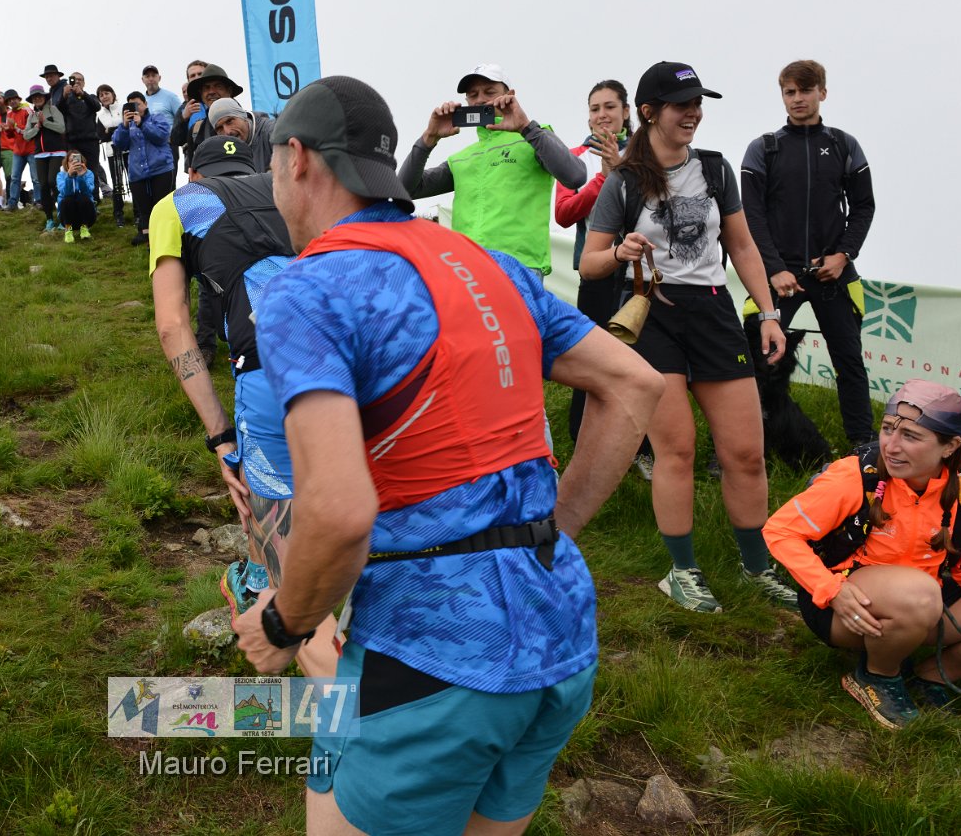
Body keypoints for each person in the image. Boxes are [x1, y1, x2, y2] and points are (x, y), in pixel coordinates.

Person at [234, 75, 664, 836]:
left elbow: (338, 511)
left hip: (431, 652)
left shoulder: (310, 287)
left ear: (296, 158)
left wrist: (283, 625)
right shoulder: (486, 263)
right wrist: (549, 532)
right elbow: (634, 383)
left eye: (272, 168)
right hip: (560, 628)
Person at [579, 61, 795, 614]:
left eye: (699, 103)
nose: (694, 113)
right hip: (654, 315)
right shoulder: (624, 181)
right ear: (650, 112)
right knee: (676, 450)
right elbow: (589, 264)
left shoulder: (716, 170)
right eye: (683, 104)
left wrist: (769, 314)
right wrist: (620, 252)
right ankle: (682, 571)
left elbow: (742, 247)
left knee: (746, 453)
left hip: (715, 313)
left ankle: (756, 567)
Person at [148, 137, 324, 654]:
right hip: (350, 352)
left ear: (194, 174)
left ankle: (275, 603)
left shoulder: (177, 204)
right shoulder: (293, 184)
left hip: (267, 365)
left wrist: (221, 437)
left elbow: (172, 325)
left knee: (271, 517)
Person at [765, 380, 961, 729]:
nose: (891, 446)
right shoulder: (854, 475)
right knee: (920, 595)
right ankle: (877, 673)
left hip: (924, 601)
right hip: (843, 604)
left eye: (910, 436)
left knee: (923, 595)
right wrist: (831, 590)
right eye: (887, 429)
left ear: (950, 446)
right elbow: (780, 531)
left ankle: (931, 675)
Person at [742, 59, 876, 449]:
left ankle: (863, 446)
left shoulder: (844, 145)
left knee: (850, 362)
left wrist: (844, 255)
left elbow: (863, 206)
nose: (797, 98)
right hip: (778, 277)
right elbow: (751, 216)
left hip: (833, 273)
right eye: (790, 92)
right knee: (754, 363)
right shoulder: (764, 148)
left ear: (822, 92)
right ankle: (736, 446)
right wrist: (774, 268)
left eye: (805, 90)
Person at [400, 63, 586, 277]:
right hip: (467, 270)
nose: (480, 100)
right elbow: (404, 190)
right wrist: (429, 138)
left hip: (519, 267)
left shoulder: (533, 138)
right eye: (473, 95)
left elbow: (575, 176)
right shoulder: (462, 158)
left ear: (510, 95)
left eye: (489, 92)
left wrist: (525, 127)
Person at [555, 79, 654, 479]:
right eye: (594, 108)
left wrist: (621, 168)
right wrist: (603, 178)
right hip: (595, 273)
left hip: (637, 277)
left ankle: (641, 449)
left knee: (640, 360)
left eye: (610, 107)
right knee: (591, 360)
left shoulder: (647, 153)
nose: (602, 115)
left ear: (627, 112)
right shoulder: (575, 158)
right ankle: (583, 442)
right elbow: (564, 213)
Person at [112, 91, 174, 246]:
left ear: (145, 104)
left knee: (161, 205)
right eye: (131, 105)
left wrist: (142, 124)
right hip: (137, 172)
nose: (135, 108)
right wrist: (124, 126)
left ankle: (164, 236)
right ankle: (146, 234)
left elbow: (162, 136)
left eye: (138, 104)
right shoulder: (127, 125)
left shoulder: (157, 118)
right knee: (143, 207)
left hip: (161, 168)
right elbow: (119, 144)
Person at [171, 62, 243, 165]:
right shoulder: (185, 110)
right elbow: (175, 139)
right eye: (206, 87)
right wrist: (183, 118)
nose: (211, 91)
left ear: (229, 91)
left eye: (218, 86)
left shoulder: (246, 118)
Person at [23, 84, 68, 232]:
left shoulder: (53, 110)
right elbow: (26, 135)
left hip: (57, 152)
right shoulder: (31, 116)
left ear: (44, 97)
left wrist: (45, 123)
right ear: (32, 100)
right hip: (40, 154)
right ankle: (49, 219)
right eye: (34, 97)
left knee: (53, 182)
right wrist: (37, 127)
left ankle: (63, 218)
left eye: (39, 96)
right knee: (43, 186)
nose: (37, 99)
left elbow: (62, 128)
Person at [58, 72, 103, 190]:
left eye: (80, 80)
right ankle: (77, 195)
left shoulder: (90, 97)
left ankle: (94, 197)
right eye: (74, 79)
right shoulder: (67, 99)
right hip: (73, 142)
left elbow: (97, 106)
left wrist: (83, 94)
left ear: (84, 83)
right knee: (75, 168)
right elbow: (58, 109)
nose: (77, 81)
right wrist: (64, 96)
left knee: (92, 170)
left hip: (90, 141)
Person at [207, 97, 275, 173]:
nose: (227, 132)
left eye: (229, 121)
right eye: (220, 128)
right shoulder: (222, 152)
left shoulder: (273, 132)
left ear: (243, 116)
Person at [95, 84, 127, 227]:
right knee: (117, 183)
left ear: (113, 94)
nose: (104, 97)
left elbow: (128, 127)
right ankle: (118, 214)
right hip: (111, 153)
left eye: (107, 93)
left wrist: (111, 130)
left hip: (128, 150)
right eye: (101, 95)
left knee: (133, 180)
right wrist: (119, 128)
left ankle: (138, 213)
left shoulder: (123, 108)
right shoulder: (99, 116)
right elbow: (101, 136)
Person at [0, 89, 35, 210]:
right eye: (9, 100)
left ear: (19, 99)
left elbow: (30, 130)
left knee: (35, 177)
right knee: (14, 178)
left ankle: (38, 201)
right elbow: (11, 136)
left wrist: (14, 126)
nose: (12, 101)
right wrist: (8, 129)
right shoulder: (9, 114)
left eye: (14, 99)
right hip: (18, 151)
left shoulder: (27, 109)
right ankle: (12, 203)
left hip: (31, 149)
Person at [56, 150, 96, 243]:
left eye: (77, 160)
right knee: (67, 199)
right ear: (66, 163)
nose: (74, 163)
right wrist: (69, 177)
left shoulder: (88, 173)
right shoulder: (61, 175)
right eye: (71, 161)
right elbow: (65, 193)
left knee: (83, 197)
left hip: (87, 216)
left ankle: (84, 228)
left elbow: (88, 192)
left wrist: (81, 177)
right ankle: (68, 230)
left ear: (82, 162)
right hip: (67, 216)